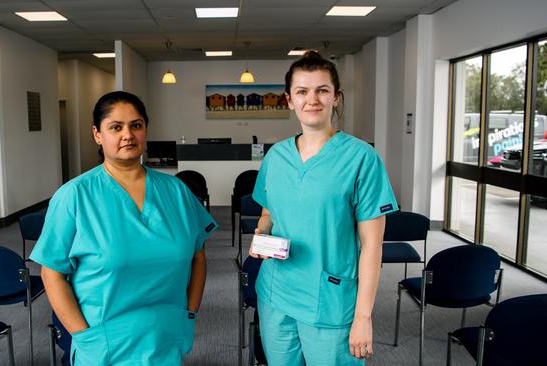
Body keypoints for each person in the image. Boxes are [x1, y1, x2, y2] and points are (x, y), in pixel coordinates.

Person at [30, 91, 217, 365]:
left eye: (136, 125)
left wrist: (190, 313)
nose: (127, 135)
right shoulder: (74, 196)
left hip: (166, 337)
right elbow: (52, 274)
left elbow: (198, 257)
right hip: (104, 343)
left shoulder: (176, 192)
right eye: (115, 127)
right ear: (97, 134)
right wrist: (84, 337)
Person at [249, 51, 398, 365]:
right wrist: (261, 234)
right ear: (289, 100)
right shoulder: (276, 157)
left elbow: (373, 246)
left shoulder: (361, 158)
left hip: (330, 299)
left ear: (336, 98)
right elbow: (268, 214)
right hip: (277, 293)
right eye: (302, 91)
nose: (312, 99)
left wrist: (363, 317)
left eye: (322, 90)